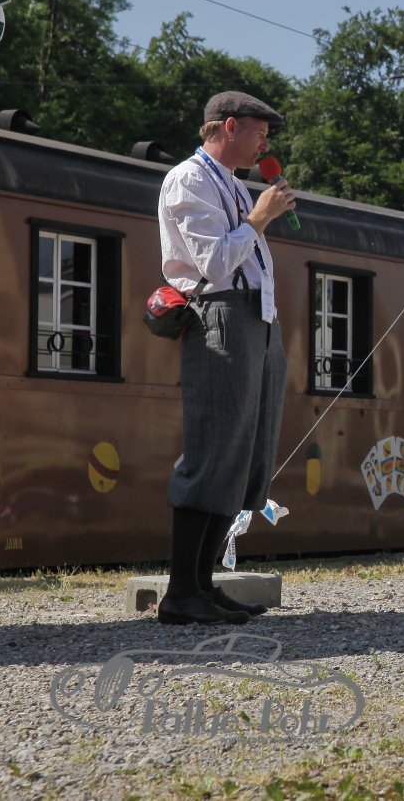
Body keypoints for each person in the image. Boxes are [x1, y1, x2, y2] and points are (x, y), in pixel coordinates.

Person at [155, 91, 296, 625]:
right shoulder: (188, 179)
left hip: (256, 319)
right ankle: (180, 593)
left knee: (245, 456)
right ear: (230, 127)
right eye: (260, 132)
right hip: (219, 317)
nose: (265, 145)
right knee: (214, 450)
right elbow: (213, 263)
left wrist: (258, 216)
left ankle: (202, 586)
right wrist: (258, 219)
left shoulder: (233, 184)